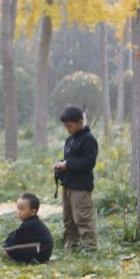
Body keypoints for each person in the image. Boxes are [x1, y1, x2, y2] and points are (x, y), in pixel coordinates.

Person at [54, 105, 98, 252]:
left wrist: (67, 164)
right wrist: (61, 166)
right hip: (68, 186)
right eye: (66, 126)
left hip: (81, 187)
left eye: (70, 126)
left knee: (83, 218)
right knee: (68, 219)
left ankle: (89, 248)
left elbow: (88, 163)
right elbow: (70, 160)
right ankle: (71, 247)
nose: (68, 129)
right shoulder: (70, 140)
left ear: (80, 122)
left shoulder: (88, 140)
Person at [2, 193, 54, 264]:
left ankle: (9, 255)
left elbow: (16, 238)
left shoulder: (29, 224)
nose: (19, 212)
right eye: (18, 209)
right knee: (12, 245)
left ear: (33, 212)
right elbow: (17, 235)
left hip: (41, 254)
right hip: (44, 252)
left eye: (22, 209)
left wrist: (6, 245)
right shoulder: (33, 221)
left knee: (10, 249)